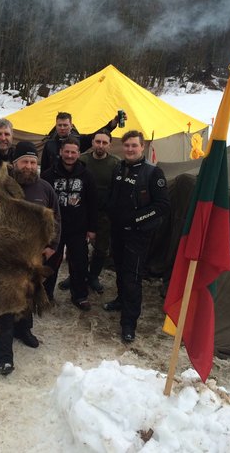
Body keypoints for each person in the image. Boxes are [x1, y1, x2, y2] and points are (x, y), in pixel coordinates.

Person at [0, 141, 61, 375]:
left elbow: (56, 220)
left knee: (29, 296)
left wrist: (52, 246)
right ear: (15, 163)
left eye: (33, 162)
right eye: (25, 162)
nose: (29, 166)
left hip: (35, 257)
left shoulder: (45, 189)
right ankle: (3, 355)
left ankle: (24, 330)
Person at [104, 130, 170, 343]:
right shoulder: (119, 167)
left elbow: (162, 205)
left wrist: (136, 220)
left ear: (143, 147)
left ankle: (129, 323)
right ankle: (121, 300)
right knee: (120, 270)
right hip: (117, 231)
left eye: (134, 145)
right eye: (127, 146)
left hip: (139, 234)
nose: (130, 149)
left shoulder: (153, 173)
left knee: (133, 277)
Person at [41, 137, 97, 310]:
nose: (70, 155)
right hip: (54, 229)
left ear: (79, 154)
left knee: (79, 263)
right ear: (60, 152)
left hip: (78, 228)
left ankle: (79, 295)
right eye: (67, 151)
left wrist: (92, 228)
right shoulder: (48, 175)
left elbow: (93, 203)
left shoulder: (87, 175)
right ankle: (45, 295)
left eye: (73, 152)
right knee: (50, 263)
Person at [78, 129, 121, 293]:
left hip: (104, 213)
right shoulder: (82, 160)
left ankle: (93, 276)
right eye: (98, 142)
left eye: (104, 142)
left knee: (101, 248)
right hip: (82, 211)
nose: (100, 145)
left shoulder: (116, 163)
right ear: (92, 143)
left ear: (109, 145)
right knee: (78, 246)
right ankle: (76, 274)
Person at [39, 111, 121, 173]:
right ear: (56, 126)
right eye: (59, 125)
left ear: (71, 126)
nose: (62, 128)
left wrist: (113, 123)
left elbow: (97, 135)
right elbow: (44, 168)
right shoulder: (49, 144)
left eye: (65, 125)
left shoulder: (79, 140)